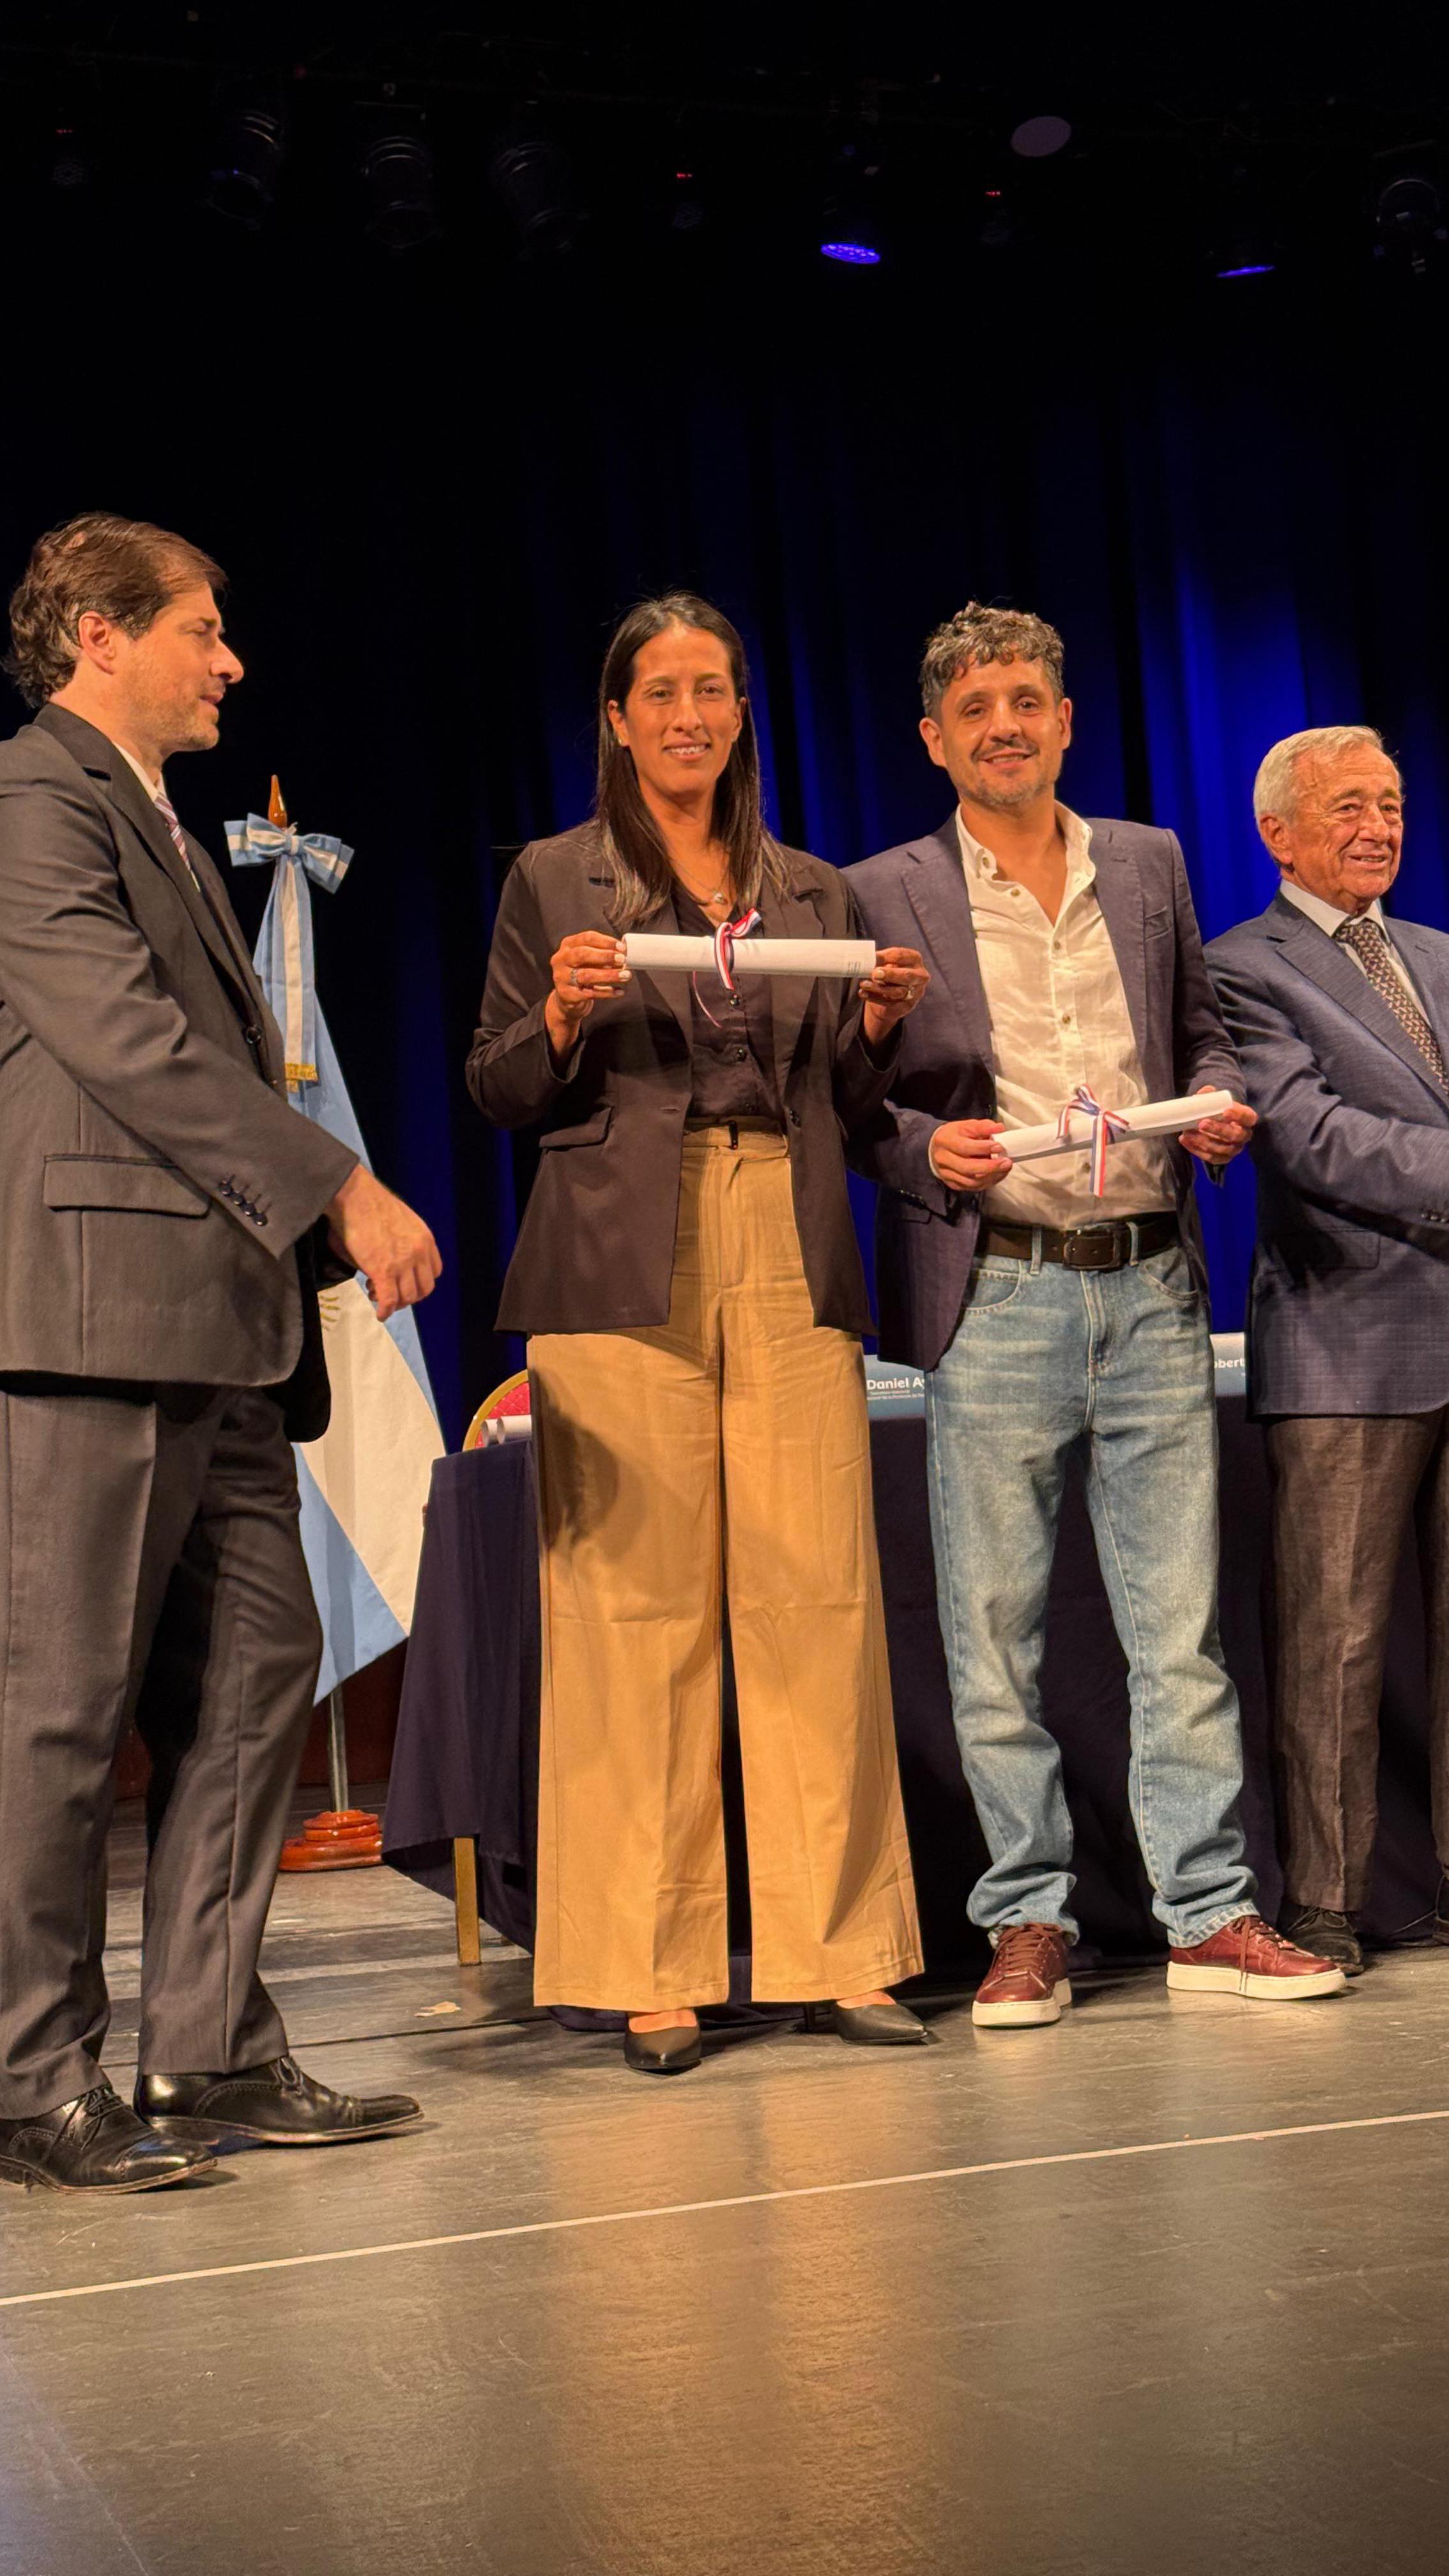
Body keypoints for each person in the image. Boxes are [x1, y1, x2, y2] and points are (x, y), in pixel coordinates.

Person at [0, 512, 441, 2194]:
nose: (231, 659)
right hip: (90, 1325)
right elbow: (122, 1039)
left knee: (261, 1672)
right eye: (202, 629)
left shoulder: (165, 824)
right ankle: (32, 2077)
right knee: (59, 1715)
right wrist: (332, 1182)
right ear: (100, 638)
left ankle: (206, 2050)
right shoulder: (33, 796)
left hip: (225, 1336)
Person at [845, 601, 1347, 2022]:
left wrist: (1216, 1103)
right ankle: (1027, 1920)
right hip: (996, 1290)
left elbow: (1199, 1023)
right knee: (992, 1631)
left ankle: (1207, 1913)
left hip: (1149, 1279)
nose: (1006, 724)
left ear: (1065, 720)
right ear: (934, 738)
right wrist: (906, 1149)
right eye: (977, 707)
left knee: (1174, 1624)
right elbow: (845, 1094)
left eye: (1028, 700)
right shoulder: (884, 888)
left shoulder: (1144, 860)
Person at [468, 591, 930, 2074]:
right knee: (633, 1620)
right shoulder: (557, 877)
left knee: (816, 1595)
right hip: (619, 1257)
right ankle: (650, 1969)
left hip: (784, 1238)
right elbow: (495, 1087)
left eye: (713, 691)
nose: (687, 716)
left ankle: (839, 1951)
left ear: (742, 714)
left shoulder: (811, 889)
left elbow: (856, 1123)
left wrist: (872, 1041)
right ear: (617, 717)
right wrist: (556, 1018)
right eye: (659, 692)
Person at [1207, 725, 1449, 1976]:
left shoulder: (1437, 956)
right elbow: (1307, 1136)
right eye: (1349, 806)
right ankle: (1328, 1904)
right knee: (1334, 1640)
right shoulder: (1243, 967)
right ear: (1280, 833)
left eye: (1393, 804)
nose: (1378, 826)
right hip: (1345, 1335)